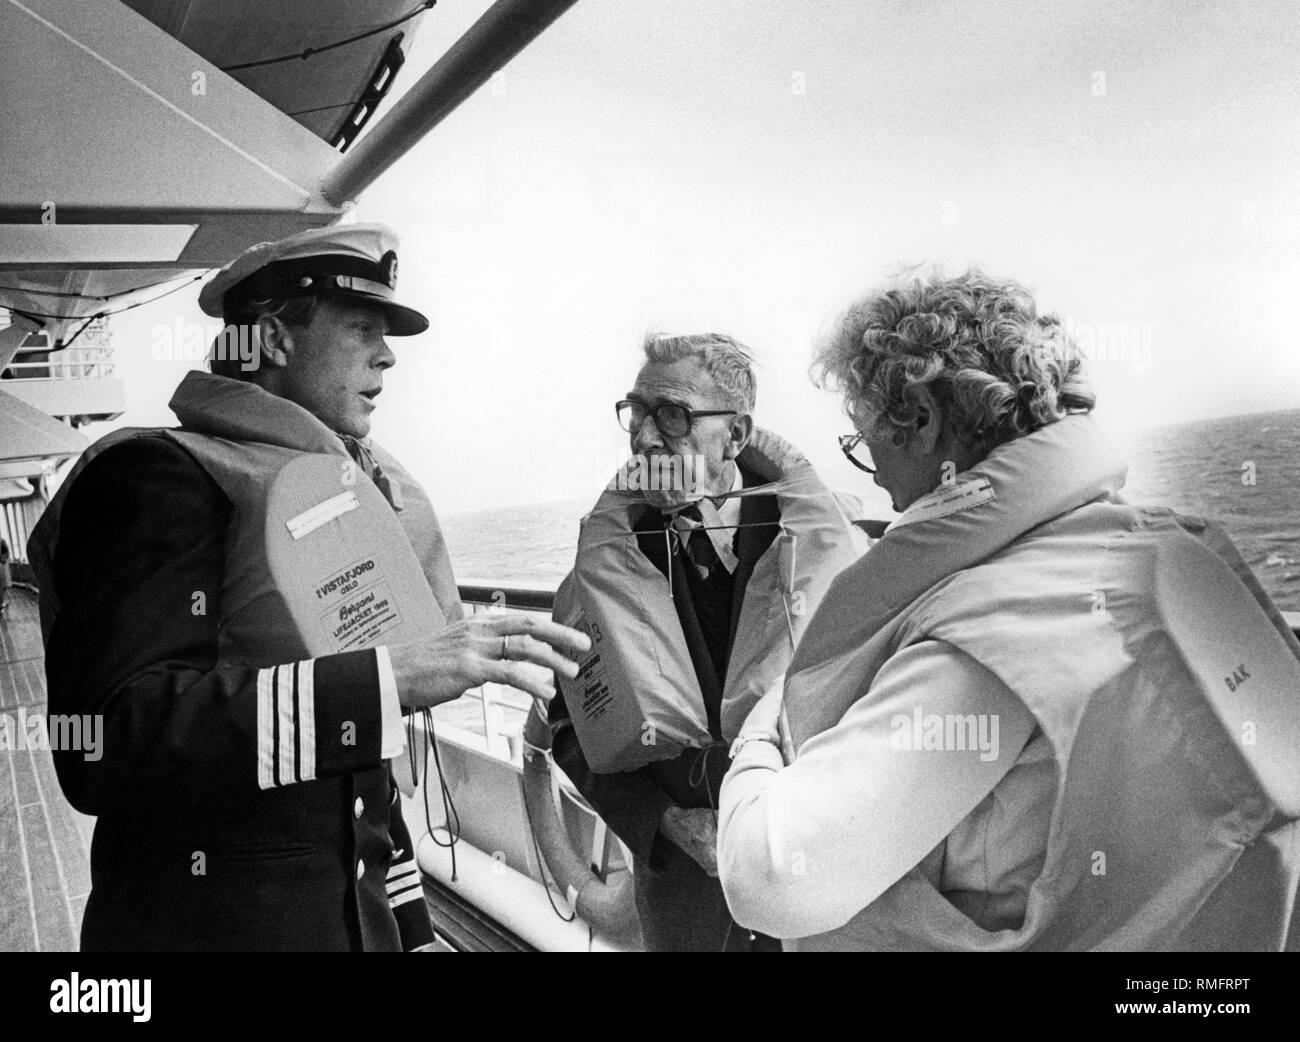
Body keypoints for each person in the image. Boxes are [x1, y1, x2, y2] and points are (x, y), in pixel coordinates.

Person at [28, 224, 589, 951]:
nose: (386, 353)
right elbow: (103, 747)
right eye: (361, 327)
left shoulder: (338, 493)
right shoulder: (157, 480)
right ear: (272, 338)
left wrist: (412, 934)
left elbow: (362, 798)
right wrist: (387, 680)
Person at [717, 269, 1300, 951]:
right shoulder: (1172, 555)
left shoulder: (993, 637)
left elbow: (774, 881)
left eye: (864, 440)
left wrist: (762, 730)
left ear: (922, 422)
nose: (872, 474)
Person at [548, 333, 863, 951]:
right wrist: (663, 822)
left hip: (807, 895)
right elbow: (569, 730)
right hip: (682, 907)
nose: (643, 437)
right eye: (635, 414)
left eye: (672, 415)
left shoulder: (824, 554)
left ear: (737, 436)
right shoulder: (603, 570)